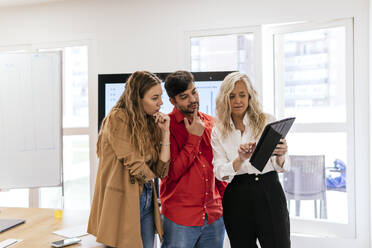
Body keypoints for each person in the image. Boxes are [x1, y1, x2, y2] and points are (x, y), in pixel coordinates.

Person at [87, 71, 171, 248]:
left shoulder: (150, 122)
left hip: (146, 194)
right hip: (124, 198)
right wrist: (154, 175)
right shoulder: (117, 118)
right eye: (154, 97)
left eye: (160, 97)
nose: (161, 103)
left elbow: (161, 170)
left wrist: (165, 133)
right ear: (137, 98)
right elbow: (134, 163)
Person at [211, 72, 291, 248]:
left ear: (249, 96)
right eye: (232, 96)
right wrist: (239, 160)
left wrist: (282, 154)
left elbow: (281, 166)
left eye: (242, 95)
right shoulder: (218, 130)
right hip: (237, 195)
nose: (237, 100)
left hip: (269, 190)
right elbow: (219, 172)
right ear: (225, 99)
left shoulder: (267, 121)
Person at [160, 70, 227, 248]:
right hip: (180, 220)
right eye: (184, 96)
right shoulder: (165, 127)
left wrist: (223, 204)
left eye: (194, 92)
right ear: (172, 101)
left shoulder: (212, 123)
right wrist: (194, 138)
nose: (192, 99)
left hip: (213, 216)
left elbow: (219, 168)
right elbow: (171, 173)